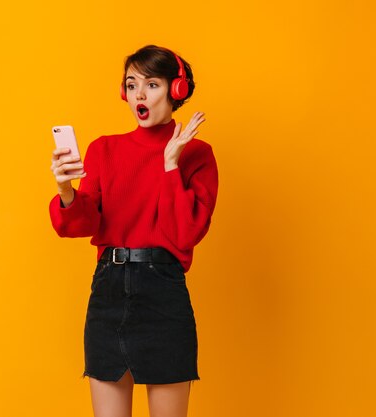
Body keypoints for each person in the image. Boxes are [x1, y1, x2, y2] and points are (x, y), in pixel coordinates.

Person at [49, 44, 219, 417]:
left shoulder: (198, 155)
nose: (139, 95)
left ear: (176, 91)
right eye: (132, 84)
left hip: (164, 296)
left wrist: (170, 164)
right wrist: (65, 192)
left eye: (152, 84)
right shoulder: (104, 150)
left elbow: (184, 234)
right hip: (108, 294)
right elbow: (84, 224)